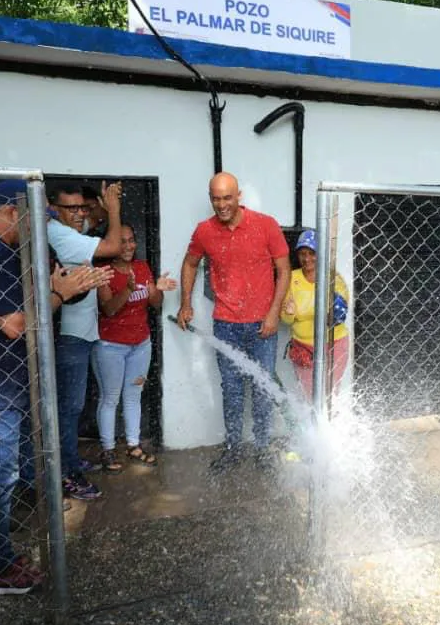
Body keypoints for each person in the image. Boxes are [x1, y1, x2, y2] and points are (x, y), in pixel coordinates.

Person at [0, 180, 108, 596]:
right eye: (38, 219)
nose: (40, 228)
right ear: (15, 212)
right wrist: (59, 293)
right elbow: (15, 324)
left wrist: (60, 288)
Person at [177, 172, 290, 471]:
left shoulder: (265, 225)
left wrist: (273, 313)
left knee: (263, 388)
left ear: (239, 196)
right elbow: (190, 263)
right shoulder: (204, 231)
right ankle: (233, 449)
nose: (222, 204)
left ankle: (263, 449)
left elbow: (284, 270)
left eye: (227, 197)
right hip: (225, 325)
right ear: (210, 198)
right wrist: (185, 303)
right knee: (232, 389)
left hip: (262, 325)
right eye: (216, 199)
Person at [47, 181, 124, 500]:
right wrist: (115, 210)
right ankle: (66, 475)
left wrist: (103, 207)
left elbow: (94, 223)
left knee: (72, 407)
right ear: (53, 208)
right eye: (72, 208)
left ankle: (70, 461)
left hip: (81, 333)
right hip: (70, 337)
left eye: (83, 207)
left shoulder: (69, 229)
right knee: (69, 408)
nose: (81, 214)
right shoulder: (59, 233)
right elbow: (113, 247)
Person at [94, 225, 177, 471]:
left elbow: (156, 304)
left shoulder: (141, 267)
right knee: (110, 398)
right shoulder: (104, 271)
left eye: (131, 240)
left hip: (140, 344)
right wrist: (128, 289)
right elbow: (109, 309)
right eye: (122, 242)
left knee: (133, 395)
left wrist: (156, 289)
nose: (129, 246)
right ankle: (108, 450)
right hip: (110, 346)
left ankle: (133, 445)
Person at [280, 229, 350, 401]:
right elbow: (285, 319)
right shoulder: (292, 279)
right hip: (303, 347)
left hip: (333, 344)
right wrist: (289, 313)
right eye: (302, 254)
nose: (307, 259)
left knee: (330, 395)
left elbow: (340, 315)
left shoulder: (333, 278)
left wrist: (336, 308)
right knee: (310, 396)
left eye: (312, 253)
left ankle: (330, 418)